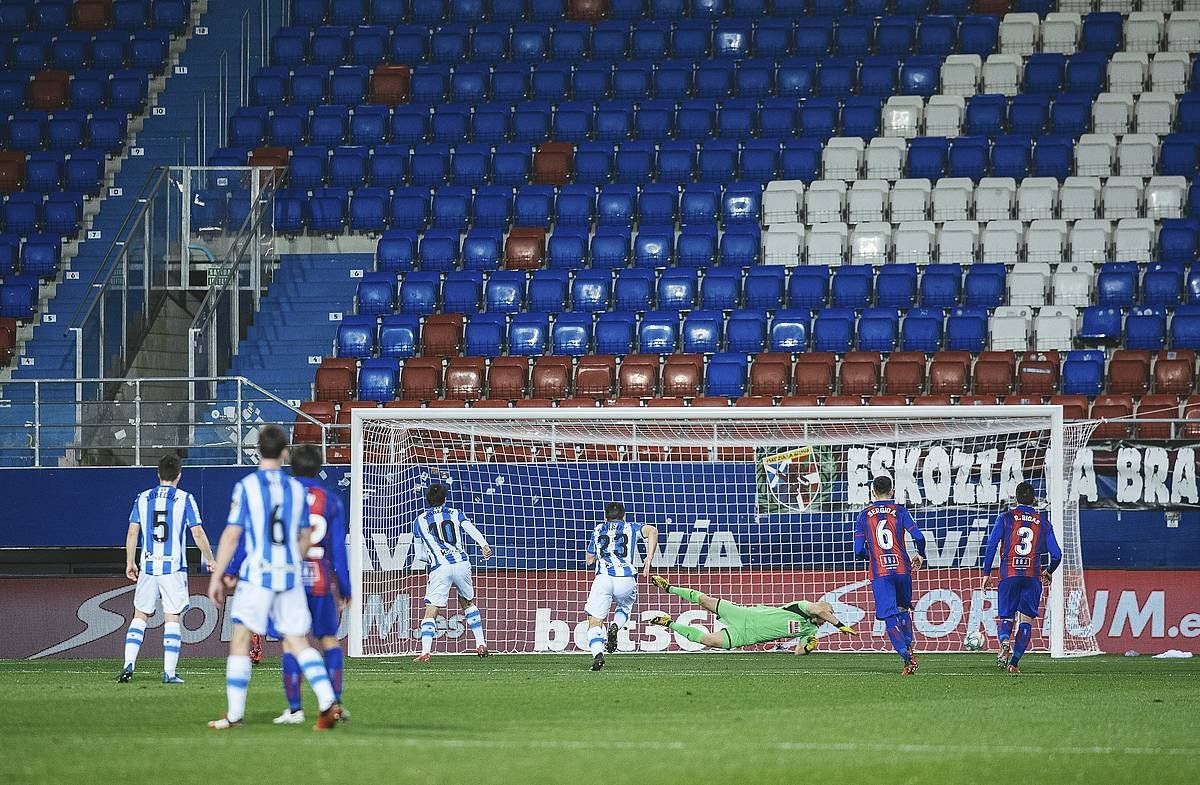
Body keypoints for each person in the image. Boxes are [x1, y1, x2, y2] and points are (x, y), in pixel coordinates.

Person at [206, 425, 340, 730]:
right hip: (289, 574)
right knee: (297, 640)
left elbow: (231, 535)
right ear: (284, 453)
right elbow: (305, 536)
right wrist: (292, 559)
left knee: (240, 638)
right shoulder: (296, 489)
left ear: (258, 451)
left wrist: (218, 576)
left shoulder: (247, 486)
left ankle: (235, 715)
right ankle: (326, 701)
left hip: (257, 575)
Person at [118, 454, 215, 684]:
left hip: (148, 566)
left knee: (139, 615)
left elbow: (133, 531)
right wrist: (210, 558)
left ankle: (128, 664)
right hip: (173, 568)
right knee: (172, 617)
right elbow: (197, 533)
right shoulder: (184, 498)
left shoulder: (143, 498)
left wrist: (130, 562)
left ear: (158, 474)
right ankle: (169, 672)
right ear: (179, 475)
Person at [648, 575, 858, 652]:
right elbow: (817, 608)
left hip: (747, 636)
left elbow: (799, 652)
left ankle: (669, 623)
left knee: (709, 640)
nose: (823, 622)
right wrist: (839, 625)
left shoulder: (810, 628)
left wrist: (809, 648)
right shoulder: (803, 607)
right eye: (825, 617)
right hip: (744, 615)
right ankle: (669, 588)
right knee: (704, 600)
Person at [981, 481, 1062, 675]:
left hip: (1008, 575)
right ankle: (1014, 663)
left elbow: (991, 546)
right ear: (1033, 499)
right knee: (1026, 620)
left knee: (1007, 616)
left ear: (1016, 498)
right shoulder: (1044, 523)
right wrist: (1049, 571)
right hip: (1032, 577)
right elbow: (1057, 554)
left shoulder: (1006, 518)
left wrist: (986, 573)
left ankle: (1004, 642)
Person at [853, 475, 927, 676]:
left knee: (888, 616)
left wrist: (873, 557)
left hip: (881, 573)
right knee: (903, 609)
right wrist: (920, 555)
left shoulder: (863, 515)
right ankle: (910, 647)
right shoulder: (900, 511)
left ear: (872, 492)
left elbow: (858, 550)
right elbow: (919, 536)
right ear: (892, 491)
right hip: (903, 569)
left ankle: (906, 657)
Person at [412, 479, 492, 662]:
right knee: (467, 602)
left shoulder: (420, 521)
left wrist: (433, 557)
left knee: (431, 610)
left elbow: (420, 555)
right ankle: (481, 643)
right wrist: (484, 544)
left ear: (427, 500)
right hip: (462, 563)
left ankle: (425, 652)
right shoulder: (456, 513)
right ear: (445, 499)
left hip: (440, 566)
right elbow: (470, 528)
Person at [583, 501, 659, 672]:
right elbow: (652, 530)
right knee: (624, 607)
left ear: (605, 517)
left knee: (595, 621)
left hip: (603, 578)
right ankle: (615, 626)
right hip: (626, 579)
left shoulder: (597, 530)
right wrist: (649, 557)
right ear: (624, 517)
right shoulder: (631, 527)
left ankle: (597, 655)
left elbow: (589, 560)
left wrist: (597, 557)